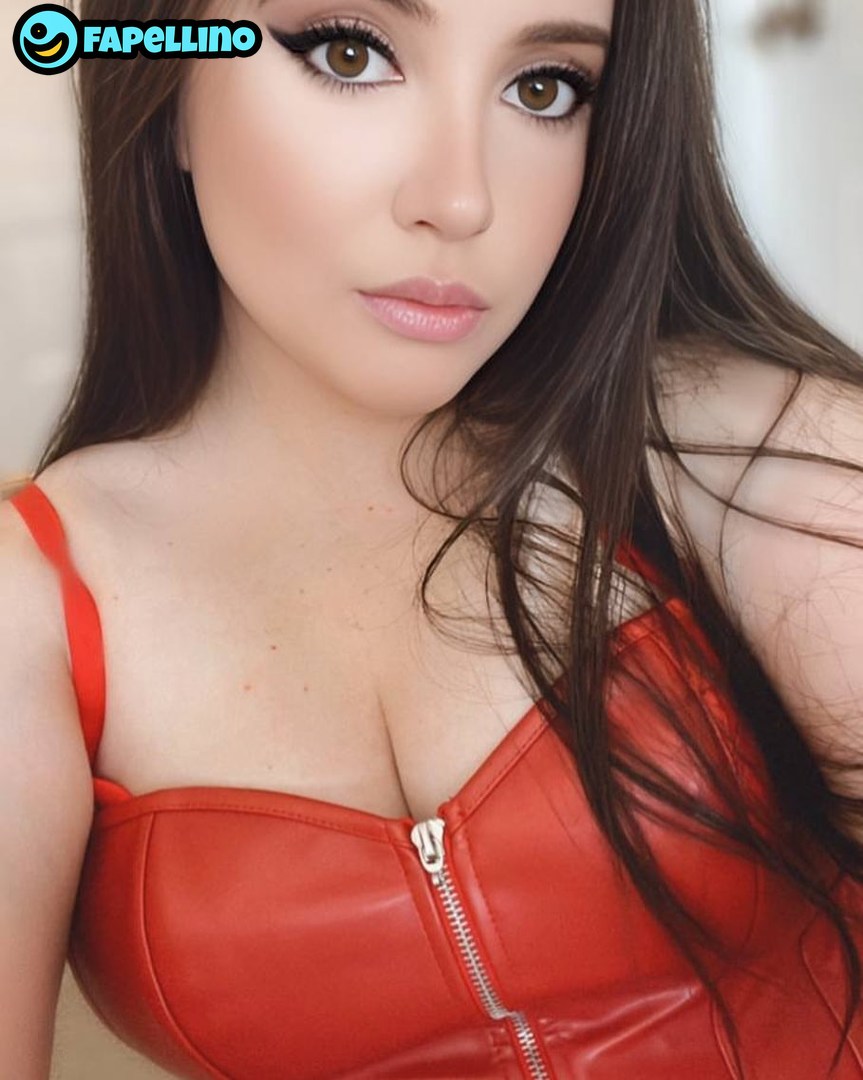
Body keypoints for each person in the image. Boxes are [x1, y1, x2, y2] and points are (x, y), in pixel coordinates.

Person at [2, 0, 862, 1077]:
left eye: (543, 87)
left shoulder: (750, 457)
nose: (461, 200)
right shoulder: (32, 606)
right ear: (164, 85)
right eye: (349, 52)